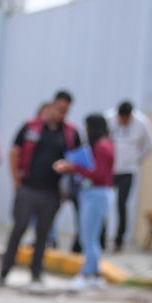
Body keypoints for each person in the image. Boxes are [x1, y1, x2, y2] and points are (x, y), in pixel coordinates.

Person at [0, 93, 79, 286]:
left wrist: (68, 166)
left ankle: (36, 273)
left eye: (65, 111)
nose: (61, 114)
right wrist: (16, 181)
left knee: (43, 234)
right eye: (59, 108)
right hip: (28, 188)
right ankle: (4, 271)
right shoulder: (31, 127)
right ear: (50, 106)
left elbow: (78, 159)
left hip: (52, 192)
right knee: (19, 229)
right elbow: (14, 152)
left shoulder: (70, 133)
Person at [62, 113, 116, 291]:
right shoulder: (105, 145)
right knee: (91, 236)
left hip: (96, 193)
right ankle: (94, 274)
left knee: (88, 236)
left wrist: (73, 167)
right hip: (96, 193)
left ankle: (87, 274)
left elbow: (98, 174)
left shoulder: (102, 146)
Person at [109, 100, 152, 252]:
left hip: (128, 170)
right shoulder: (108, 118)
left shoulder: (142, 122)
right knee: (104, 203)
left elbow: (151, 144)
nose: (123, 121)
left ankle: (119, 239)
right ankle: (101, 237)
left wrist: (137, 158)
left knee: (122, 204)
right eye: (121, 118)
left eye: (126, 118)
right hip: (110, 169)